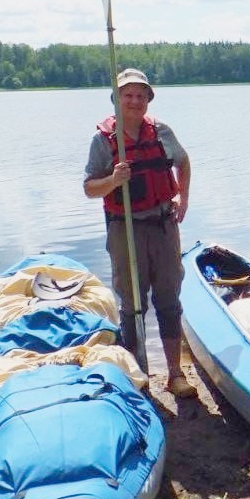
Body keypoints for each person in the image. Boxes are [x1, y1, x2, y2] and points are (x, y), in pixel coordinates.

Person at [83, 68, 197, 397]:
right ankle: (137, 375)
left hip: (163, 226)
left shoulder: (161, 132)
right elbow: (90, 188)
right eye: (127, 95)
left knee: (168, 299)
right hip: (125, 229)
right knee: (132, 304)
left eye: (140, 95)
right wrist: (113, 181)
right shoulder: (103, 141)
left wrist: (182, 197)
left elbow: (184, 161)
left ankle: (175, 374)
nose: (134, 101)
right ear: (117, 100)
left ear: (148, 100)